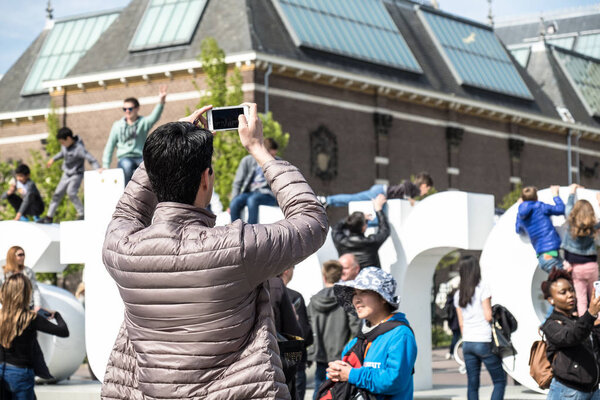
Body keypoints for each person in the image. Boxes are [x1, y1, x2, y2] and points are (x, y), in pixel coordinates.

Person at [100, 103, 328, 400]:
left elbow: (129, 208)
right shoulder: (237, 247)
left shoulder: (122, 248)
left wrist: (164, 153)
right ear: (206, 179)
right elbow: (312, 219)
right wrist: (259, 149)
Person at [325, 267, 417, 400]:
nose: (356, 299)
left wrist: (351, 375)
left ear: (383, 298)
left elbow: (394, 381)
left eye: (363, 292)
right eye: (355, 294)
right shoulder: (358, 340)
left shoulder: (400, 335)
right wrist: (335, 373)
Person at [0, 273, 69, 399]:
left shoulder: (1, 317)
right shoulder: (30, 318)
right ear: (25, 293)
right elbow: (63, 331)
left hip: (3, 371)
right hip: (22, 373)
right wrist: (57, 315)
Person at [541, 268, 600, 399]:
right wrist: (591, 314)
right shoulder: (551, 324)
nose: (570, 295)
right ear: (551, 300)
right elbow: (571, 337)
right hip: (569, 392)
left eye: (571, 290)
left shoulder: (577, 321)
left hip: (593, 390)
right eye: (563, 292)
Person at [454, 255, 506, 400]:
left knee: (472, 384)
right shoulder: (482, 288)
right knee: (499, 380)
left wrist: (467, 338)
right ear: (475, 270)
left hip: (468, 343)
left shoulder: (458, 294)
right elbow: (488, 316)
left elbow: (461, 322)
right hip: (483, 340)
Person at [307, 260, 360, 400]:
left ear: (324, 277)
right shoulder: (345, 299)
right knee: (341, 392)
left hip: (320, 354)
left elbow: (307, 327)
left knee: (320, 389)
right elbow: (355, 327)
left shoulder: (313, 300)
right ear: (341, 275)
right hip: (341, 355)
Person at [102, 85, 167, 184]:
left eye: (130, 109)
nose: (127, 111)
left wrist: (161, 101)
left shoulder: (143, 123)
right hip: (125, 157)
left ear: (137, 109)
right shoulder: (117, 126)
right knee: (127, 166)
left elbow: (154, 117)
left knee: (149, 170)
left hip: (140, 157)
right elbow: (110, 145)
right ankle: (127, 194)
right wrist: (105, 165)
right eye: (124, 109)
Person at [38, 127, 102, 223]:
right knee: (57, 194)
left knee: (71, 192)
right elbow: (62, 153)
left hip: (76, 174)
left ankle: (82, 213)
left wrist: (98, 168)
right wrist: (53, 159)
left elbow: (90, 158)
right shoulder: (64, 146)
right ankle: (49, 217)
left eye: (63, 142)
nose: (62, 145)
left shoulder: (79, 149)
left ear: (68, 138)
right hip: (66, 174)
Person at [561, 184, 600, 317]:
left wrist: (572, 192)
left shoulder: (571, 223)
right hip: (591, 266)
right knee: (595, 295)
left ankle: (586, 326)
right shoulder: (593, 225)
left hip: (576, 268)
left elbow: (568, 209)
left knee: (582, 299)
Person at [280, 266, 313, 400]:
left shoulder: (263, 293)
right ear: (287, 269)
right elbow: (303, 333)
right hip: (294, 361)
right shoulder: (293, 296)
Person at [229, 137, 280, 224]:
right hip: (250, 192)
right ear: (264, 152)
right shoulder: (247, 161)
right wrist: (233, 199)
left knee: (252, 200)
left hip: (268, 194)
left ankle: (252, 230)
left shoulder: (278, 163)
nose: (273, 158)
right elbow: (237, 183)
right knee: (235, 203)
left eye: (275, 155)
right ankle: (235, 229)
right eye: (271, 155)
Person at [516, 185, 565, 273]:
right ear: (536, 197)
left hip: (542, 256)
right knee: (565, 282)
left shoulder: (521, 215)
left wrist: (520, 208)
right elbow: (561, 209)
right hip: (550, 253)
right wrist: (555, 195)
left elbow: (518, 230)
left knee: (563, 282)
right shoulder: (540, 206)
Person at [332, 194, 389, 268]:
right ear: (363, 228)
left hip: (351, 278)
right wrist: (378, 209)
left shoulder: (341, 241)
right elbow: (384, 230)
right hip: (369, 278)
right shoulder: (371, 242)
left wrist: (354, 218)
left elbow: (336, 227)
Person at [318, 172, 433, 208]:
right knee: (354, 198)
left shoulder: (414, 191)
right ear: (423, 185)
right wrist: (409, 199)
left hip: (380, 191)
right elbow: (406, 183)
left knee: (353, 200)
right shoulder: (414, 189)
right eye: (427, 188)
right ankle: (326, 200)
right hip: (380, 192)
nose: (426, 192)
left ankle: (328, 202)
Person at [1, 246, 41, 311]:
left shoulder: (28, 271)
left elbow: (35, 289)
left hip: (27, 307)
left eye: (23, 254)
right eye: (20, 255)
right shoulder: (3, 273)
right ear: (12, 256)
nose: (23, 257)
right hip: (9, 309)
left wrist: (37, 305)